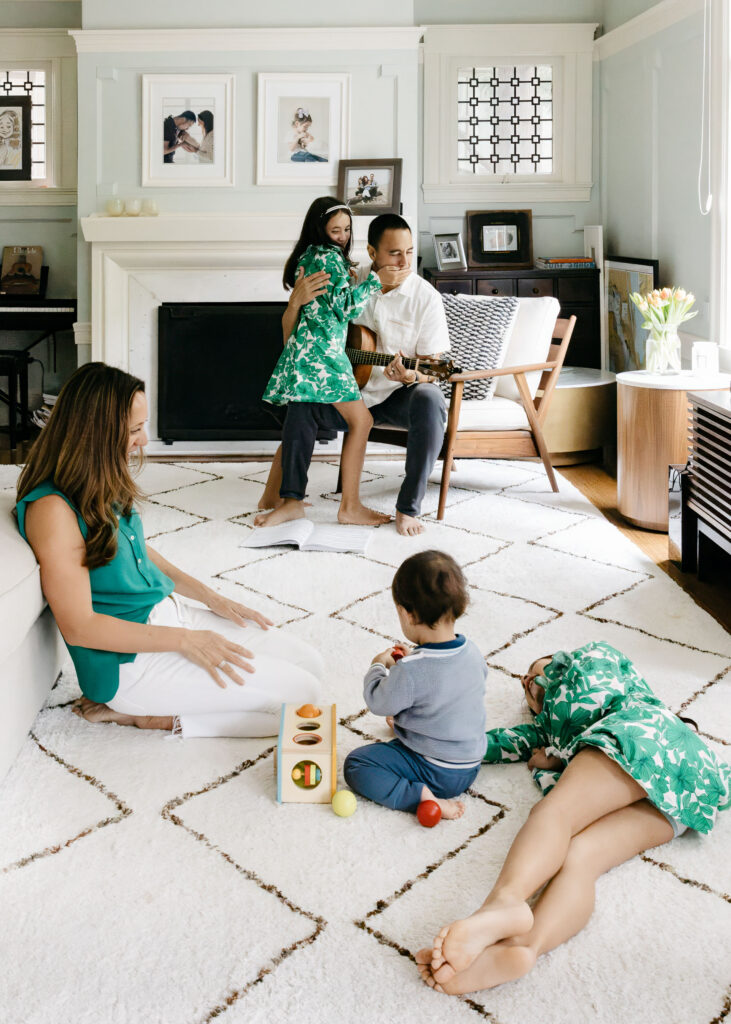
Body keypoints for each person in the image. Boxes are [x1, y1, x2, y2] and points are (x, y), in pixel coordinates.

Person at [15, 362, 323, 738]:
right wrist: (186, 641)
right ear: (95, 433)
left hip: (170, 617)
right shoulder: (53, 510)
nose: (144, 440)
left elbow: (139, 551)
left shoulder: (95, 480)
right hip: (131, 664)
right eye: (133, 430)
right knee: (305, 699)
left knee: (312, 664)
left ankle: (164, 699)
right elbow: (80, 628)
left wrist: (211, 598)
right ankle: (150, 717)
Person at [415, 641, 731, 996]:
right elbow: (484, 745)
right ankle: (522, 948)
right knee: (580, 857)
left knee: (556, 813)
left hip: (645, 736)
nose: (526, 680)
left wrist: (551, 694)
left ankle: (505, 902)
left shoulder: (594, 660)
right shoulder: (545, 732)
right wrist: (417, 731)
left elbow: (596, 687)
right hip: (686, 792)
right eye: (524, 685)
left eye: (535, 671)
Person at [258, 213, 451, 537]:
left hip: (394, 396)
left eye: (409, 251)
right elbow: (293, 342)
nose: (405, 262)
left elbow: (433, 369)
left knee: (430, 399)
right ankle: (291, 500)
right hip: (349, 393)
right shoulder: (343, 279)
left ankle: (407, 508)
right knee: (301, 400)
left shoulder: (425, 297)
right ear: (372, 253)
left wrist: (410, 377)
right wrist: (295, 303)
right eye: (394, 253)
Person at [258, 196, 399, 529]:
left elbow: (323, 303)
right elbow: (346, 308)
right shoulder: (330, 259)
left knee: (301, 420)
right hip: (325, 359)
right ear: (319, 229)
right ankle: (350, 506)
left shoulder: (308, 257)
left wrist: (346, 274)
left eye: (347, 229)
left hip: (304, 353)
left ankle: (283, 499)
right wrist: (376, 280)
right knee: (361, 422)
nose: (343, 236)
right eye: (335, 230)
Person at [343, 551, 487, 819]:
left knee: (357, 764)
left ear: (407, 614)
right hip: (469, 766)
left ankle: (422, 797)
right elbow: (450, 690)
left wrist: (378, 666)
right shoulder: (472, 651)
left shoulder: (410, 671)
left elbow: (378, 701)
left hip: (435, 771)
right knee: (409, 716)